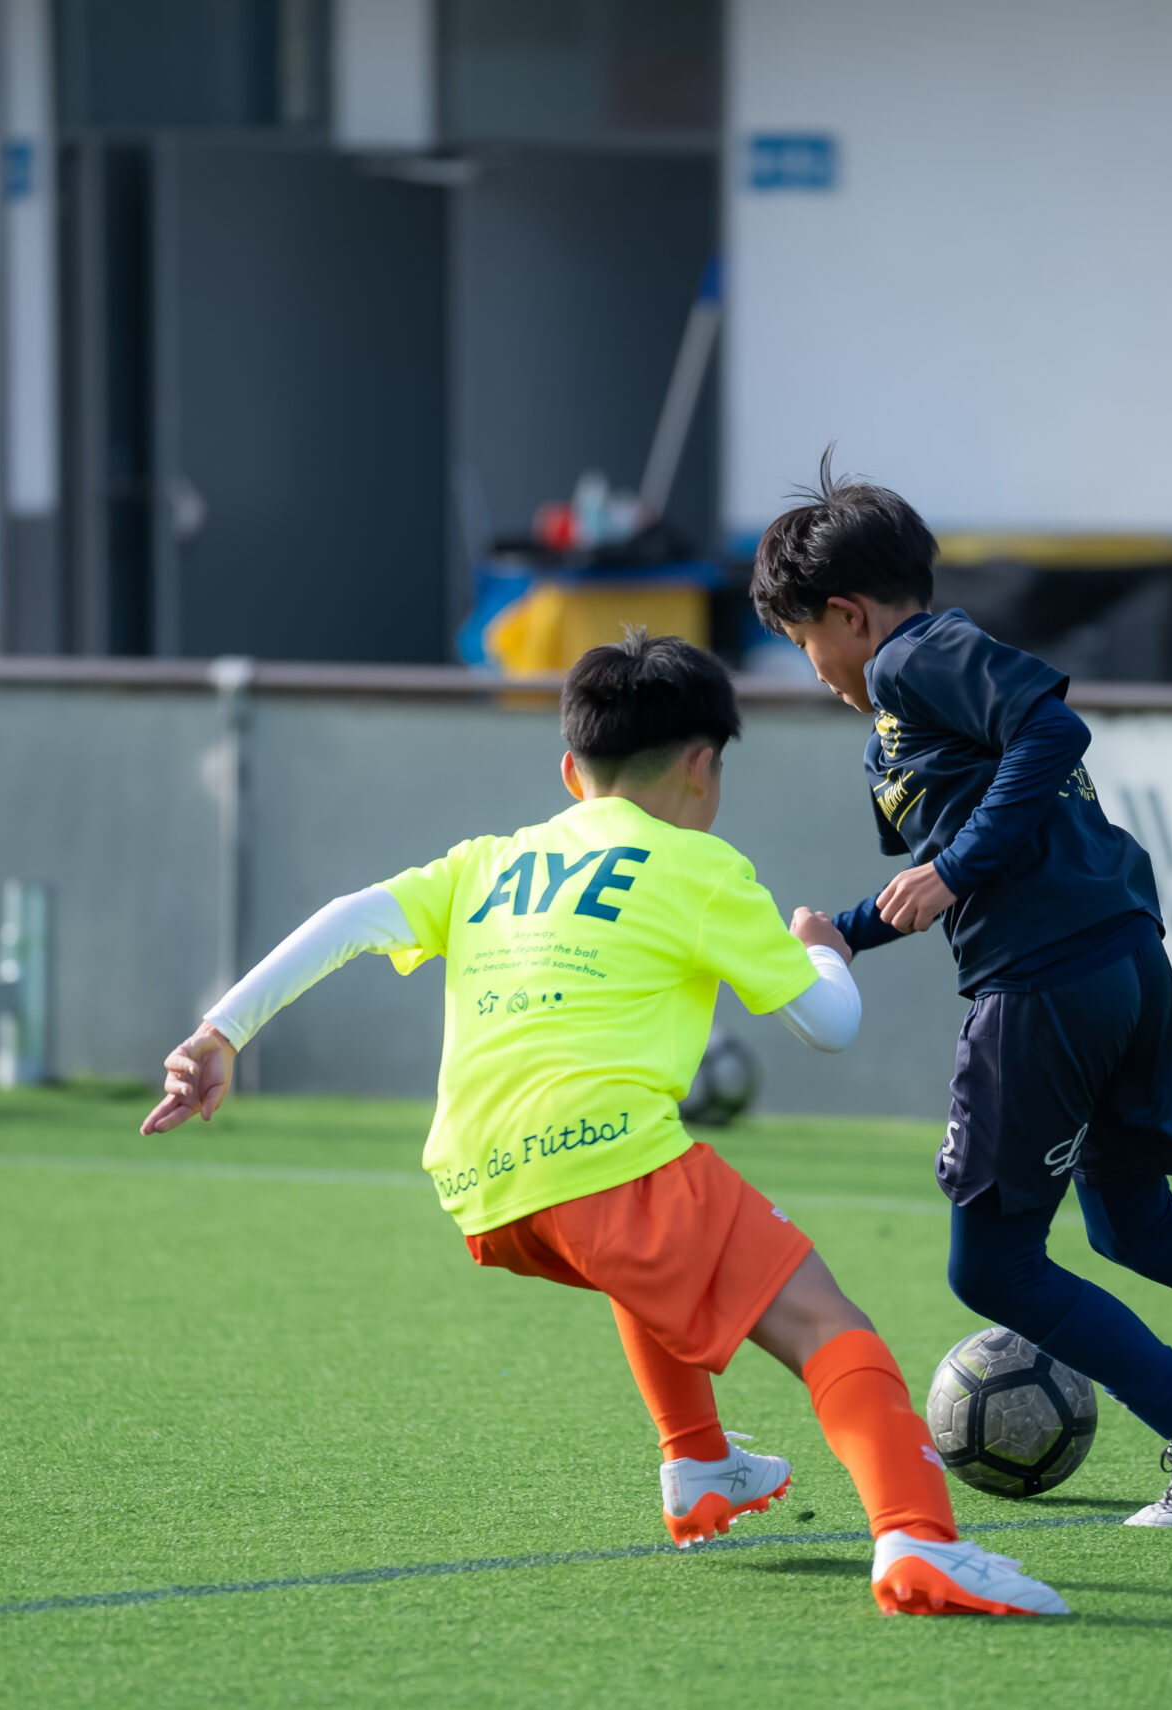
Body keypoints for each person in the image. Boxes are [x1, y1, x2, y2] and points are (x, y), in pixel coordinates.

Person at [141, 631, 1066, 1617]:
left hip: (483, 1186)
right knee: (828, 1325)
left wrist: (219, 1033)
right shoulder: (702, 868)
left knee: (645, 1256)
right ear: (704, 765)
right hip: (601, 1155)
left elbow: (345, 918)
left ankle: (700, 1463)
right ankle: (920, 1542)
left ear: (569, 771)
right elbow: (831, 1026)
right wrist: (820, 949)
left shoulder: (490, 861)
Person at [752, 453, 1172, 1527]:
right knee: (1136, 1227)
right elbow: (954, 869)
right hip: (1117, 962)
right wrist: (844, 932)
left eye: (804, 643)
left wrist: (952, 870)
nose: (814, 670)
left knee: (993, 1271)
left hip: (1046, 988)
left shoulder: (913, 657)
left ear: (848, 615)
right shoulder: (906, 707)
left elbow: (1050, 733)